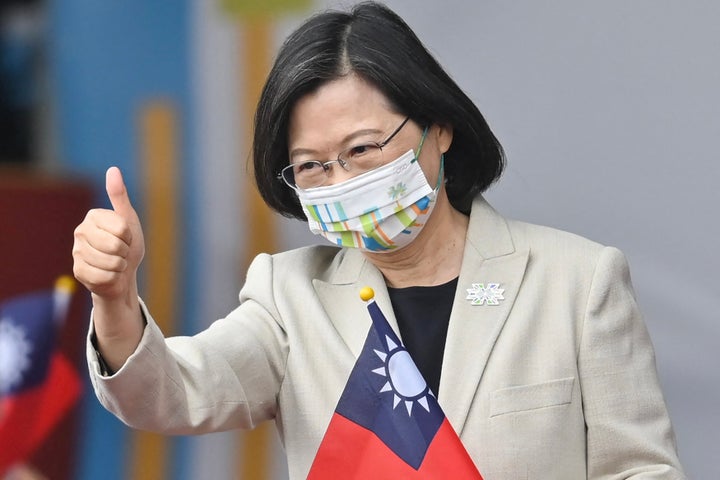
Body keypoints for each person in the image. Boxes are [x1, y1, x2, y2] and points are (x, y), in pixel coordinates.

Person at [72, 2, 686, 478]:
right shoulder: (290, 298)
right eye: (313, 165)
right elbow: (174, 395)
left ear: (438, 128)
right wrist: (115, 300)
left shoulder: (576, 282)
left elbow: (641, 468)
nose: (343, 181)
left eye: (363, 150)